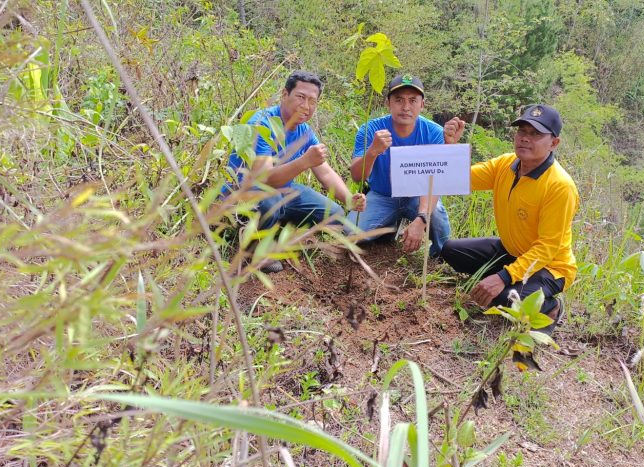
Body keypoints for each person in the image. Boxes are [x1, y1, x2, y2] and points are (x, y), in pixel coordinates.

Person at [441, 104, 579, 335]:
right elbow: (460, 177)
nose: (525, 139)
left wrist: (503, 278)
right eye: (522, 131)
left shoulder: (559, 186)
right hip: (511, 250)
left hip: (550, 267)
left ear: (554, 143)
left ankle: (550, 306)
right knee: (450, 251)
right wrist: (450, 147)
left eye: (535, 134)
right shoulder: (506, 164)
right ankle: (514, 282)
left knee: (505, 298)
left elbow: (547, 248)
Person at [226, 71, 365, 273]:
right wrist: (304, 161)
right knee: (269, 203)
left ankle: (281, 235)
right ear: (284, 94)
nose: (306, 106)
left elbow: (324, 172)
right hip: (248, 192)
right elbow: (264, 179)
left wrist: (349, 199)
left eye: (312, 101)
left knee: (334, 214)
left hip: (284, 190)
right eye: (300, 97)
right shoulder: (262, 123)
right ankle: (255, 249)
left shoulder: (305, 131)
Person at [348, 74, 465, 258]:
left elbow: (436, 181)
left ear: (422, 104)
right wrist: (373, 151)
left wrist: (422, 218)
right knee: (350, 235)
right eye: (399, 100)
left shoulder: (434, 132)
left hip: (417, 197)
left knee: (438, 222)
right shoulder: (370, 129)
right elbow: (357, 176)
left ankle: (441, 258)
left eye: (412, 100)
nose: (405, 107)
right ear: (388, 102)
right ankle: (388, 229)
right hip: (382, 195)